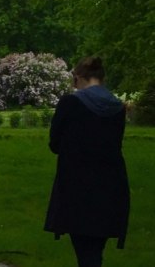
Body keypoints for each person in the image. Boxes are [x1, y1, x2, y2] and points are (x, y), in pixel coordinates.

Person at [45, 57, 130, 267]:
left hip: (78, 183)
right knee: (94, 248)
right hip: (112, 182)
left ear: (79, 78)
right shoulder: (117, 107)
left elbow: (55, 143)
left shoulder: (70, 103)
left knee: (85, 249)